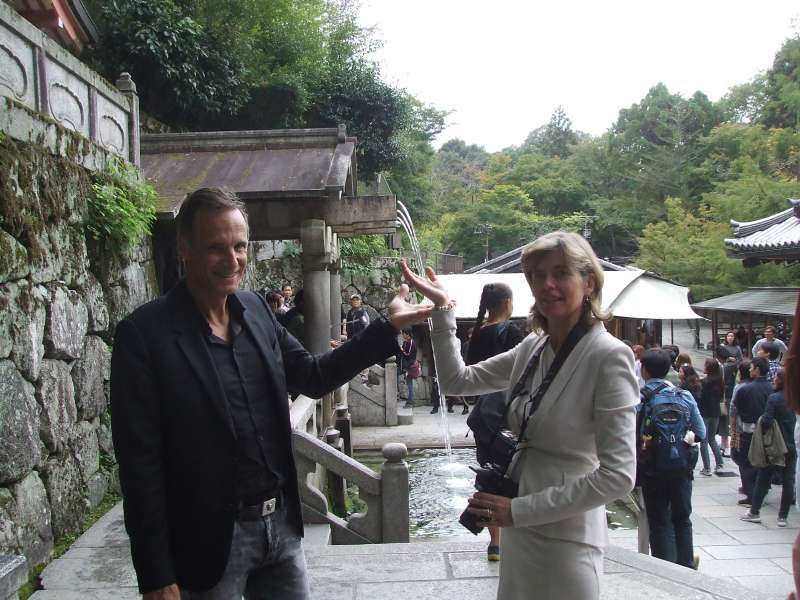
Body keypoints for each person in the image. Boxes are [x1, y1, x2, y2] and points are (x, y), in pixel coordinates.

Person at [110, 187, 430, 599]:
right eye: (216, 247)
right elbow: (140, 464)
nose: (233, 260)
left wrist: (386, 328)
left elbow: (313, 376)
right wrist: (155, 574)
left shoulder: (256, 311)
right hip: (209, 540)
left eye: (240, 246)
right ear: (184, 249)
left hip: (279, 525)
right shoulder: (144, 336)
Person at [402, 231, 638, 600]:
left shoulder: (609, 356)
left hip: (566, 538)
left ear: (588, 281)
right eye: (537, 275)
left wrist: (519, 511)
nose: (548, 284)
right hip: (516, 530)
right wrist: (443, 309)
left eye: (561, 273)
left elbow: (618, 477)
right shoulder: (534, 346)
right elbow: (456, 380)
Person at [464, 282, 526, 562]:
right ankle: (516, 535)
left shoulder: (476, 334)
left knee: (488, 473)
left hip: (482, 415)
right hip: (508, 412)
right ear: (507, 303)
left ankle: (495, 543)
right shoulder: (513, 332)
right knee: (513, 472)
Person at [638, 349, 705, 569]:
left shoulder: (641, 398)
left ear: (644, 370)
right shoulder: (683, 395)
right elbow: (701, 432)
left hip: (652, 469)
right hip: (681, 467)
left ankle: (666, 574)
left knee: (659, 523)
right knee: (682, 519)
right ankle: (686, 569)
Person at [741, 369, 795, 526]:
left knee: (764, 477)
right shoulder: (794, 398)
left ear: (780, 380)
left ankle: (754, 511)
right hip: (791, 444)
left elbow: (767, 420)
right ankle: (782, 517)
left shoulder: (774, 398)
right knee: (788, 480)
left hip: (775, 445)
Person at [732, 357, 774, 505]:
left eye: (751, 367)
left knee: (747, 462)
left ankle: (751, 494)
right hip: (768, 431)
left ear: (757, 369)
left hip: (749, 429)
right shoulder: (771, 388)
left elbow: (737, 407)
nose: (749, 370)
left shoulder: (745, 389)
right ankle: (761, 491)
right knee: (764, 462)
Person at [698, 358, 725, 476]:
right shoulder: (720, 382)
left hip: (704, 412)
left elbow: (700, 397)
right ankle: (719, 463)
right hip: (716, 412)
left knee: (703, 440)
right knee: (712, 439)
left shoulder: (704, 382)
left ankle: (707, 468)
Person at [398, 329, 417, 408]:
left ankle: (411, 401)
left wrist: (401, 350)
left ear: (407, 334)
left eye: (403, 334)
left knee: (410, 384)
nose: (402, 335)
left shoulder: (411, 342)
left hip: (409, 366)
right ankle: (410, 401)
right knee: (409, 384)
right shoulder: (406, 342)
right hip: (404, 365)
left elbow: (408, 354)